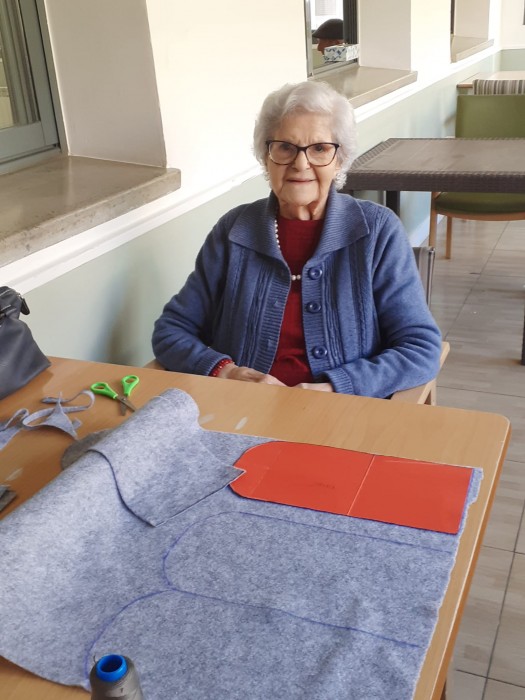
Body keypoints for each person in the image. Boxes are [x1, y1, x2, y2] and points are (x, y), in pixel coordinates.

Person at [152, 81, 442, 398]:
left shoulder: (377, 231)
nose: (300, 164)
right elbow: (171, 330)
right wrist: (225, 371)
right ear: (266, 157)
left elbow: (420, 347)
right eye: (285, 147)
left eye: (319, 149)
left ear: (340, 160)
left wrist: (337, 387)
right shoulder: (234, 230)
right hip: (241, 407)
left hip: (343, 410)